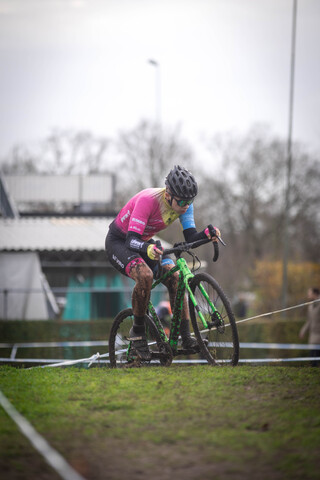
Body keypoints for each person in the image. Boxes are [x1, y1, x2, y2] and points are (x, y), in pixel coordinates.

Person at [105, 165, 220, 361]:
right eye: (182, 201)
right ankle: (138, 333)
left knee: (175, 277)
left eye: (190, 201)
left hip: (144, 241)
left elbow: (190, 236)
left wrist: (207, 235)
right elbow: (131, 240)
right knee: (145, 276)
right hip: (120, 241)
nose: (186, 205)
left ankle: (184, 336)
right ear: (168, 195)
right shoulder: (147, 201)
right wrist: (147, 249)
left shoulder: (184, 203)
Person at [299, 287, 320, 367]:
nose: (308, 295)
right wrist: (303, 331)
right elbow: (309, 320)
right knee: (312, 355)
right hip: (313, 334)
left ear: (315, 294)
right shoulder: (310, 306)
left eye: (309, 293)